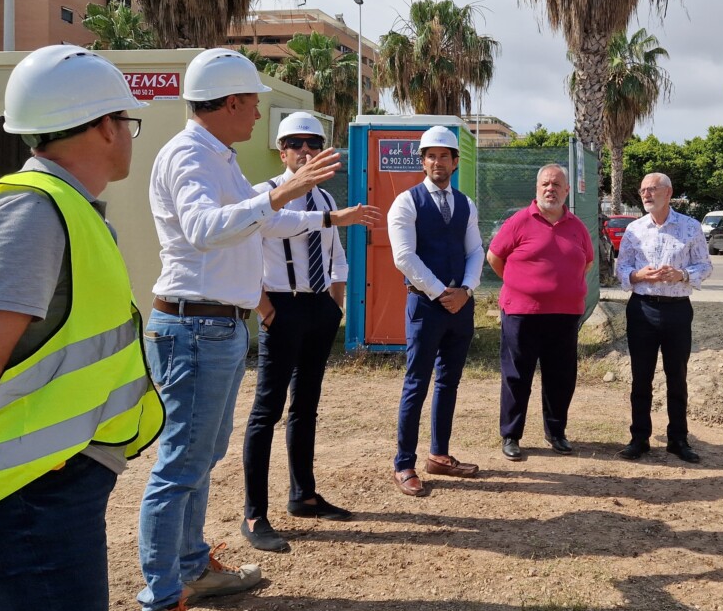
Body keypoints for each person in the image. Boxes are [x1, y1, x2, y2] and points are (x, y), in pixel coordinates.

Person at [0, 45, 163, 611]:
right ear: (106, 125)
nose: (128, 135)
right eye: (126, 122)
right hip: (31, 492)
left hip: (54, 479)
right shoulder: (30, 212)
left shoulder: (63, 208)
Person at [137, 49, 373, 611]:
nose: (259, 115)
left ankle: (193, 569)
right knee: (179, 468)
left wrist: (324, 214)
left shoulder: (219, 156)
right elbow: (203, 227)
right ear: (231, 102)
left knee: (201, 455)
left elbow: (260, 228)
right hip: (193, 328)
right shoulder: (190, 155)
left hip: (213, 329)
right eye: (253, 103)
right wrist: (285, 192)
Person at [241, 112, 380, 552]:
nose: (305, 151)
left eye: (313, 144)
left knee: (306, 407)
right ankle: (254, 513)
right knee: (266, 412)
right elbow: (260, 241)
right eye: (295, 144)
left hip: (317, 307)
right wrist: (266, 312)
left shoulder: (322, 199)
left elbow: (337, 256)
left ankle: (303, 494)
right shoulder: (264, 195)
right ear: (281, 152)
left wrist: (333, 305)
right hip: (281, 308)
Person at [387, 125, 484, 497]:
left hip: (460, 305)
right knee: (417, 383)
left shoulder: (465, 203)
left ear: (455, 161)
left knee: (449, 381)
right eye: (431, 155)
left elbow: (475, 251)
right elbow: (404, 257)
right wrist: (443, 292)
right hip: (425, 306)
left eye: (444, 155)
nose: (437, 161)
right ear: (422, 160)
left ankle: (439, 455)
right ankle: (404, 463)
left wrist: (467, 290)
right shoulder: (407, 202)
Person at [487, 163, 593, 460]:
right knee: (516, 376)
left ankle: (556, 433)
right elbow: (495, 257)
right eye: (546, 184)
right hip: (522, 314)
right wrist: (521, 285)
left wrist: (564, 288)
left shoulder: (577, 226)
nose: (551, 189)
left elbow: (587, 263)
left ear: (567, 191)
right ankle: (511, 435)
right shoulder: (519, 221)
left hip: (565, 316)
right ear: (537, 189)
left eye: (557, 184)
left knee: (561, 376)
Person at [614, 172, 712, 463]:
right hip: (642, 309)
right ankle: (639, 438)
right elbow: (621, 269)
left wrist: (682, 274)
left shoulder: (690, 227)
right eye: (643, 190)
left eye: (652, 189)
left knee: (677, 377)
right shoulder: (633, 230)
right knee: (640, 377)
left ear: (668, 193)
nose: (646, 194)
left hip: (677, 309)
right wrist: (635, 275)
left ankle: (678, 439)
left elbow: (705, 267)